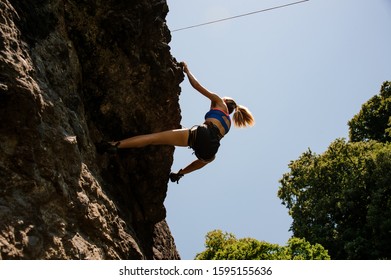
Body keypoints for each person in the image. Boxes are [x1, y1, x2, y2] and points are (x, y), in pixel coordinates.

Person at [98, 62, 255, 183]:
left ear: (225, 101)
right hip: (210, 149)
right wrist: (180, 173)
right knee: (207, 160)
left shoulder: (220, 102)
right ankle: (180, 173)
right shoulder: (228, 125)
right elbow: (205, 151)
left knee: (154, 138)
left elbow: (197, 86)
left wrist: (187, 70)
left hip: (202, 133)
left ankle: (114, 145)